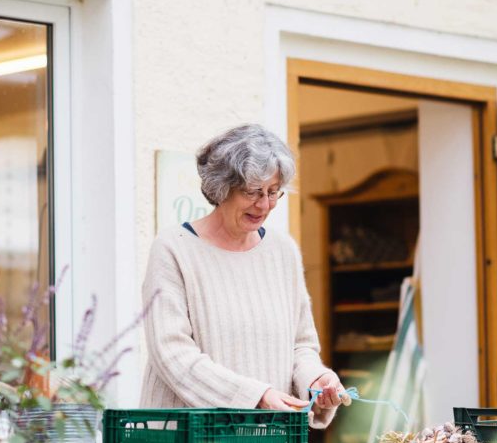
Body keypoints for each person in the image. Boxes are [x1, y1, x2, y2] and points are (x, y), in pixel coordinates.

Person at [140, 123, 345, 427]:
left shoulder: (282, 251)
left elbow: (300, 345)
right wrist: (255, 396)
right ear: (222, 188)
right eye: (252, 192)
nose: (264, 205)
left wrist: (316, 379)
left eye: (274, 192)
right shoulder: (174, 249)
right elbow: (172, 353)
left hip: (266, 442)